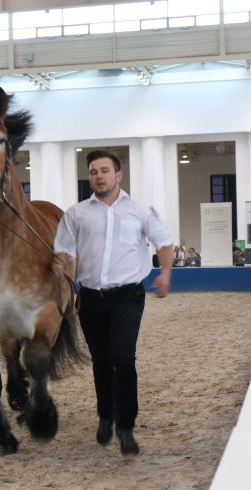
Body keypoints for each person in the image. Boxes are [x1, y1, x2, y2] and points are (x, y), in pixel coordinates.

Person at [52, 150, 172, 456]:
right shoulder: (75, 214)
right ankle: (105, 415)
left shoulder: (141, 210)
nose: (99, 176)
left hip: (128, 296)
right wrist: (59, 263)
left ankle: (126, 426)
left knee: (124, 357)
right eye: (93, 171)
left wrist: (166, 273)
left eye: (104, 170)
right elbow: (63, 250)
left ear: (118, 175)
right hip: (90, 297)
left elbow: (164, 242)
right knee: (102, 361)